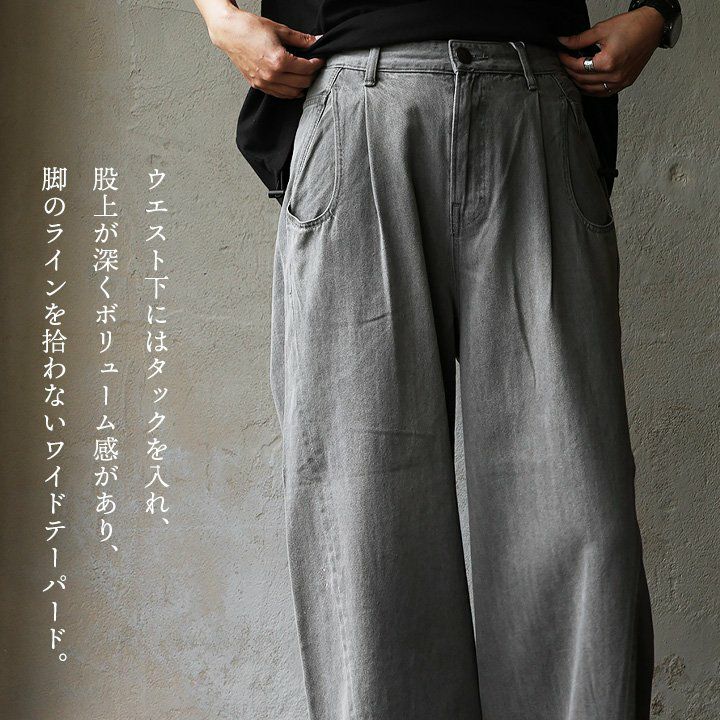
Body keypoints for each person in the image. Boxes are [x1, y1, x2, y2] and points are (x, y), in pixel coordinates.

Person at [193, 2, 682, 719]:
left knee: (580, 515)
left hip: (535, 99)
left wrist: (659, 12)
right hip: (354, 107)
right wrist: (216, 15)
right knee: (364, 521)